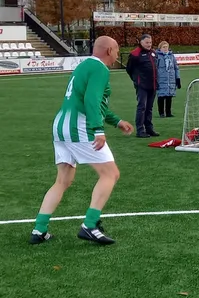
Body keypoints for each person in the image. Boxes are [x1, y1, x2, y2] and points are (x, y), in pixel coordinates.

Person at [29, 36, 135, 245]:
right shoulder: (100, 69)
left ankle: (39, 229)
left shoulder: (84, 66)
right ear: (109, 51)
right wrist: (98, 130)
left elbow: (90, 101)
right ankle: (90, 225)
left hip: (61, 126)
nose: (117, 53)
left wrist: (116, 121)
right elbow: (91, 100)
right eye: (116, 49)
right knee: (110, 174)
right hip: (79, 127)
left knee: (63, 180)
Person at [126, 33, 159, 138]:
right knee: (142, 107)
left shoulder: (153, 53)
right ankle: (140, 130)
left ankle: (149, 129)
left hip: (153, 85)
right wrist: (136, 80)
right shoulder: (135, 54)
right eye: (147, 42)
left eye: (150, 42)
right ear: (141, 42)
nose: (149, 44)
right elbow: (129, 69)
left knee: (149, 108)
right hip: (142, 85)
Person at [155, 41, 181, 118]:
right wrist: (155, 79)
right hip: (161, 79)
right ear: (160, 48)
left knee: (169, 96)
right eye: (164, 47)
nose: (165, 48)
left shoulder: (171, 56)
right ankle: (161, 113)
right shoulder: (157, 56)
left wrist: (178, 78)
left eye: (166, 47)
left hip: (171, 79)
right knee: (161, 96)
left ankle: (168, 112)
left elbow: (176, 68)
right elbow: (155, 68)